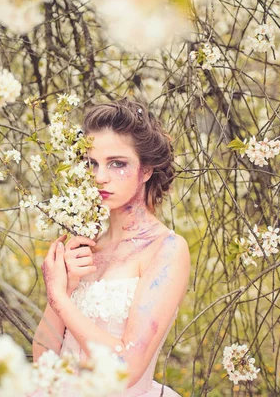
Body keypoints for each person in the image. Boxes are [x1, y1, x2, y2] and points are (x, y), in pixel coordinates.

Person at [32, 98, 191, 396]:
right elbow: (43, 357)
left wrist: (58, 297)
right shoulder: (86, 242)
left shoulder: (166, 249)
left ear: (146, 170)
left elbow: (126, 368)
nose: (99, 177)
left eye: (117, 163)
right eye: (92, 163)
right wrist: (63, 289)